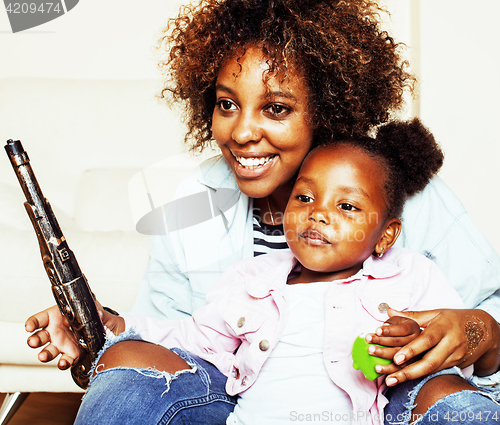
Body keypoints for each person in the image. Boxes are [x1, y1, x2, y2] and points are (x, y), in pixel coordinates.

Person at [24, 0, 500, 423]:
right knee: (126, 362)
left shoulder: (400, 190)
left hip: (379, 403)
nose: (242, 132)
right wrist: (101, 327)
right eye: (227, 104)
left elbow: (488, 318)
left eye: (275, 109)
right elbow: (172, 335)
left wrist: (479, 332)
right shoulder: (197, 198)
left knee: (450, 399)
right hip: (238, 399)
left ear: (326, 110)